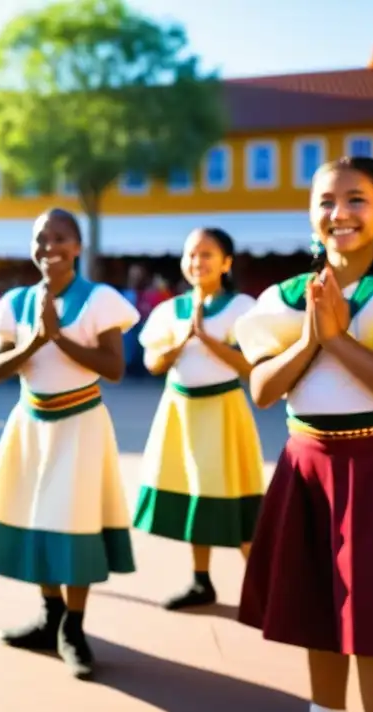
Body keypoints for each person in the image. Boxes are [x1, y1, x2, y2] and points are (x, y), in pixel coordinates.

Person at [236, 157, 373, 712]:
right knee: (318, 602)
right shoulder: (286, 297)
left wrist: (338, 340)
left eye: (356, 200)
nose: (339, 213)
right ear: (310, 215)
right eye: (326, 201)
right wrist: (309, 338)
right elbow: (264, 390)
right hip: (307, 462)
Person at [0, 208, 139, 680]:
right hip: (31, 423)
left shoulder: (99, 299)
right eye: (41, 239)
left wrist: (58, 337)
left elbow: (114, 367)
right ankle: (50, 615)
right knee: (40, 517)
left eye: (60, 238)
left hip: (81, 423)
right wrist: (36, 339)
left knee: (76, 520)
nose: (49, 248)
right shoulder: (16, 302)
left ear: (78, 247)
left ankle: (75, 627)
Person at [134, 228, 263, 610]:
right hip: (181, 411)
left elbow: (251, 366)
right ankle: (201, 581)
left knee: (235, 497)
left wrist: (207, 340)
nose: (197, 262)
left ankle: (264, 586)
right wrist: (180, 342)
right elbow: (152, 363)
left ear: (226, 263)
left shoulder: (243, 307)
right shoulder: (168, 311)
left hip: (222, 411)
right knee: (195, 494)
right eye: (191, 254)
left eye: (207, 255)